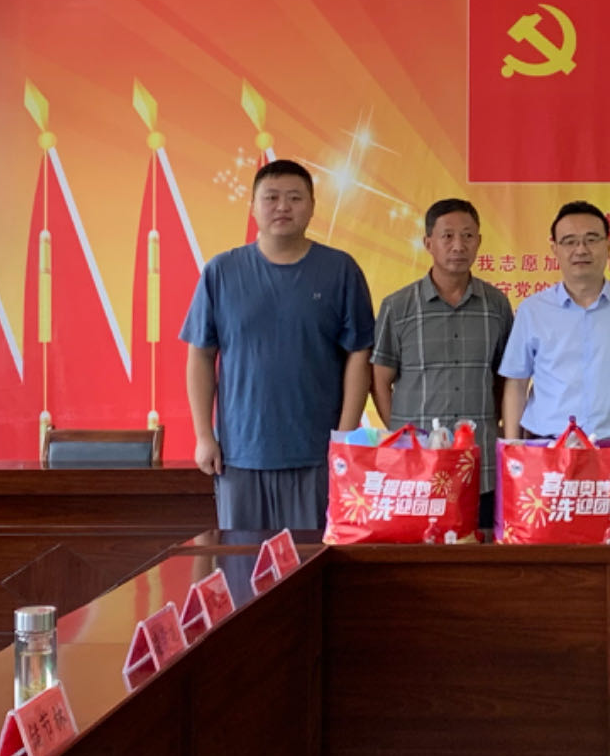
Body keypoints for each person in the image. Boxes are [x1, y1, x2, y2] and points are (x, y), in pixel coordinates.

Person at [181, 158, 375, 534]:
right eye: (271, 197)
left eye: (295, 198)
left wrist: (345, 439)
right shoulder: (221, 272)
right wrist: (204, 436)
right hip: (240, 455)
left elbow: (359, 355)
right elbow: (201, 355)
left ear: (313, 206)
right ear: (253, 207)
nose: (283, 206)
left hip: (316, 455)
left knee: (312, 559)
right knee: (242, 560)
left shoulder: (340, 270)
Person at [371, 197, 514, 529]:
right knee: (419, 548)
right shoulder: (398, 306)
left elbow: (505, 378)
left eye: (468, 236)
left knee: (481, 547)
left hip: (479, 461)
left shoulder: (496, 304)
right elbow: (379, 380)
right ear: (428, 243)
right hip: (417, 462)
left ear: (479, 241)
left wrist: (495, 423)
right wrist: (403, 433)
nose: (458, 246)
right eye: (447, 236)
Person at [500, 200, 610, 441]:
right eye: (570, 241)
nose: (581, 250)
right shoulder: (532, 310)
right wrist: (512, 447)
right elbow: (516, 383)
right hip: (547, 445)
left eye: (591, 239)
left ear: (608, 245)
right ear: (555, 248)